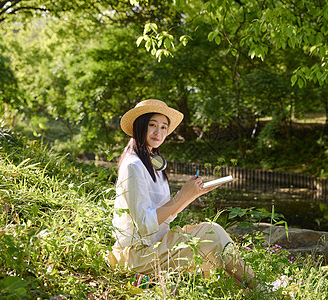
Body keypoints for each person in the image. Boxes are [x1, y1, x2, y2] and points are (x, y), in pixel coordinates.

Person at [107, 99, 257, 289]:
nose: (158, 132)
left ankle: (253, 289)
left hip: (156, 244)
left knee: (212, 234)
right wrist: (182, 196)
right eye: (152, 125)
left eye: (163, 127)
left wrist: (193, 194)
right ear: (139, 126)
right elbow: (145, 225)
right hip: (136, 254)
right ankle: (261, 289)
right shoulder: (133, 165)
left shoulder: (153, 161)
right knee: (214, 234)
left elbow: (164, 216)